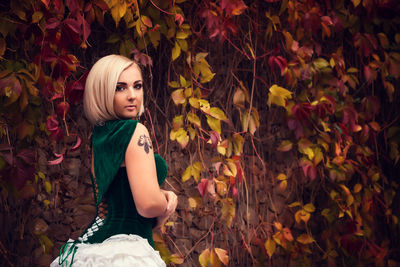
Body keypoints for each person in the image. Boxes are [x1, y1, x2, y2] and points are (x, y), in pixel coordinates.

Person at [51, 54, 178, 266]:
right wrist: (168, 201)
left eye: (137, 86)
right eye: (120, 88)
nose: (132, 95)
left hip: (95, 248)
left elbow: (123, 201)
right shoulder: (134, 130)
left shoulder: (101, 136)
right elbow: (147, 206)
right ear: (102, 93)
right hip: (124, 252)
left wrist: (157, 196)